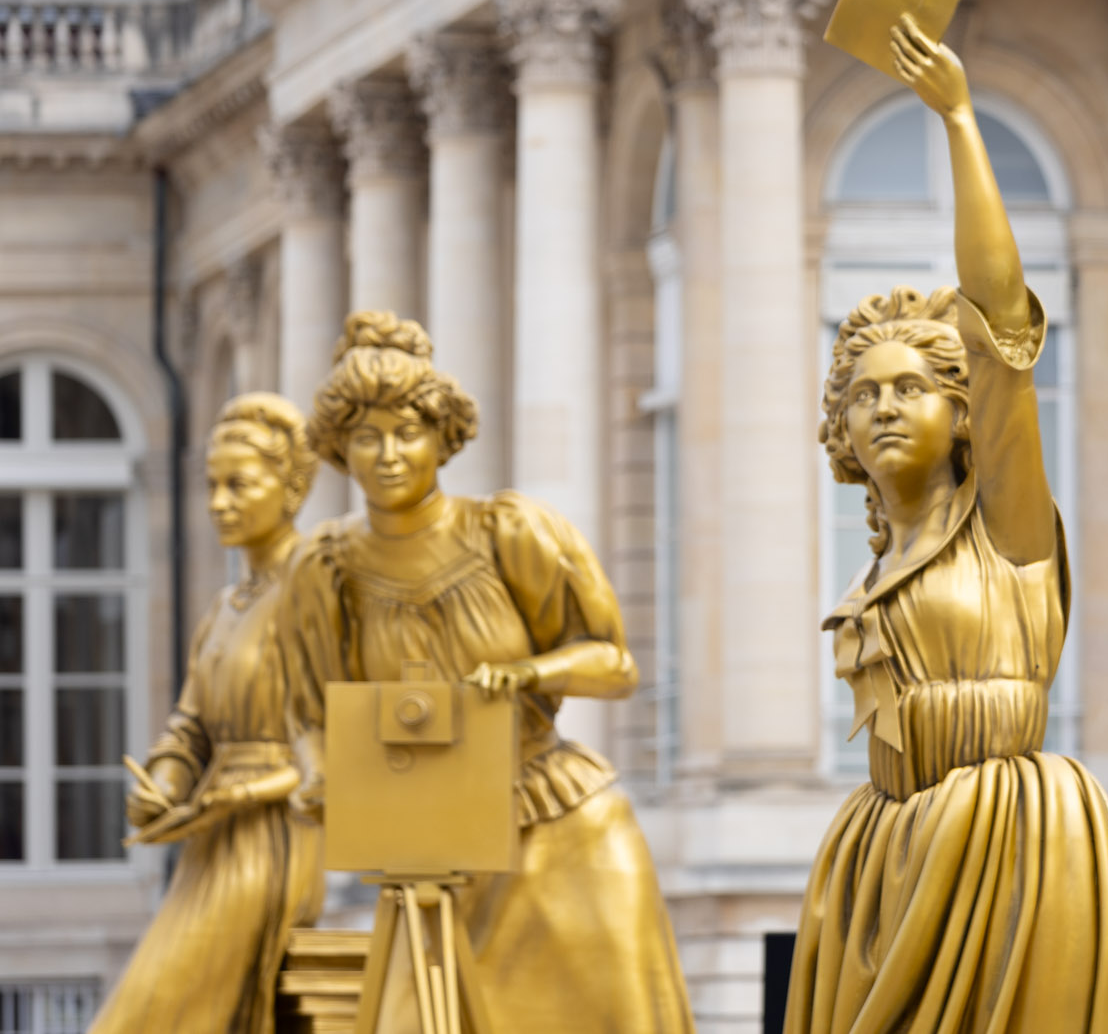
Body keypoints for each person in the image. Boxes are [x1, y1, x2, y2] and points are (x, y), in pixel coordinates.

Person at [786, 15, 1108, 1034]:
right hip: (881, 844)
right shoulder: (874, 572)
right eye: (861, 393)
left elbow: (996, 318)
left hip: (1007, 833)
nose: (883, 405)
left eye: (910, 387)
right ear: (841, 431)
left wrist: (956, 119)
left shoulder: (1008, 527)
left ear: (961, 416)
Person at [281, 312, 692, 1033]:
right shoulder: (326, 566)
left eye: (407, 432)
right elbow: (314, 709)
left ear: (444, 437)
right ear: (339, 448)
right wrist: (320, 775)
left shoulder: (512, 531)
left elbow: (613, 662)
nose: (387, 454)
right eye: (366, 437)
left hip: (555, 815)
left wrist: (528, 672)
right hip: (425, 837)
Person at [92, 394, 324, 1034]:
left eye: (238, 485)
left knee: (148, 1015)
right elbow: (189, 726)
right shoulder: (225, 607)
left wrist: (240, 795)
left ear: (293, 486)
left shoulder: (316, 592)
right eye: (212, 485)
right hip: (212, 838)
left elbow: (337, 745)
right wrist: (164, 784)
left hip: (278, 837)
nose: (218, 502)